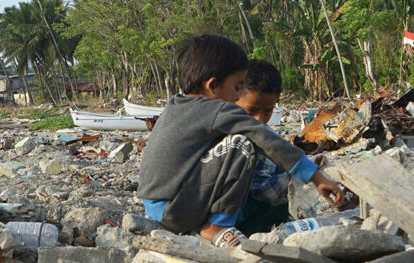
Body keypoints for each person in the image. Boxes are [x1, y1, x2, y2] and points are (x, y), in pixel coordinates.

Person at [138, 34, 343, 247]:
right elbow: (262, 136)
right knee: (241, 143)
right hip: (176, 210)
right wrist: (315, 176)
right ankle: (217, 225)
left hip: (157, 208)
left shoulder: (175, 106)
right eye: (236, 87)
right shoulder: (215, 109)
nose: (236, 97)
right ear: (213, 85)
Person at [234, 59, 292, 235]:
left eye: (267, 111)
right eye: (251, 110)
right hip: (236, 220)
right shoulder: (228, 136)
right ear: (233, 97)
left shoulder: (268, 136)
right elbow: (259, 190)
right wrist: (293, 178)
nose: (259, 120)